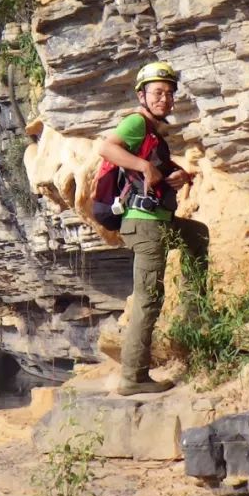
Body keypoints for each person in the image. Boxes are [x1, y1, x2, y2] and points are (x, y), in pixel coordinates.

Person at [97, 61, 207, 395]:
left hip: (159, 220)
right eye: (158, 92)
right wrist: (143, 165)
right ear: (142, 96)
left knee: (197, 235)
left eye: (170, 93)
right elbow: (106, 147)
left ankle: (194, 316)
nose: (165, 99)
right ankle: (133, 378)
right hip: (144, 226)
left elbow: (155, 172)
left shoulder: (153, 133)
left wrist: (178, 175)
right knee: (148, 300)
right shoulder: (136, 123)